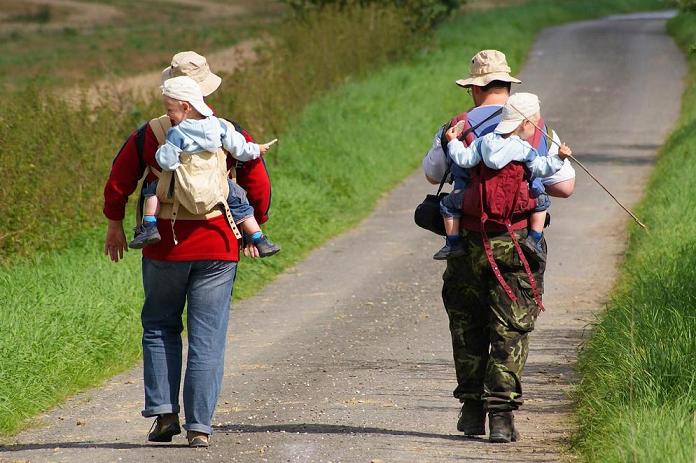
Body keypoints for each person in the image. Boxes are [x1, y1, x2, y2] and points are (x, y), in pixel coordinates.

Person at [104, 51, 270, 448]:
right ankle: (200, 427)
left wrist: (114, 222)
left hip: (163, 243)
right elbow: (257, 183)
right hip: (218, 241)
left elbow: (119, 180)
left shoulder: (150, 133)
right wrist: (253, 228)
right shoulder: (226, 129)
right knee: (207, 336)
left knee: (160, 326)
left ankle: (164, 415)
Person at [421, 50, 576, 443]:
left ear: (474, 88)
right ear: (508, 86)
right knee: (511, 328)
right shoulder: (534, 127)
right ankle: (502, 418)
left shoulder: (457, 125)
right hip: (519, 242)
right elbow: (565, 187)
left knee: (467, 325)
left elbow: (432, 174)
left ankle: (472, 410)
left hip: (468, 240)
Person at [129, 75, 280, 258]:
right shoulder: (219, 126)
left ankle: (149, 227)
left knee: (152, 191)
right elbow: (240, 150)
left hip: (182, 185)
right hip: (217, 185)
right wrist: (256, 149)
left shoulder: (176, 133)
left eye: (169, 110)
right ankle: (259, 238)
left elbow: (168, 163)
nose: (168, 114)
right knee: (241, 203)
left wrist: (161, 151)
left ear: (185, 107)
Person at [434, 92, 572, 260]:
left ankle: (453, 243)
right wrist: (560, 157)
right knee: (542, 201)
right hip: (516, 202)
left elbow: (464, 159)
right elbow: (541, 168)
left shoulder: (484, 142)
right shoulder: (524, 149)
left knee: (448, 205)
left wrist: (453, 141)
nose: (534, 130)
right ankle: (534, 239)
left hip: (479, 200)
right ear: (526, 123)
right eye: (534, 126)